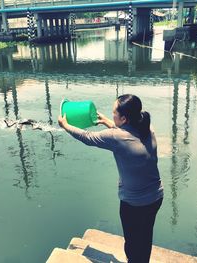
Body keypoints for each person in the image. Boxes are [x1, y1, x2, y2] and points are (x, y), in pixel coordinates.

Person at [58, 94, 163, 263]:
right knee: (145, 237)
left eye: (114, 112)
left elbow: (87, 137)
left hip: (134, 203)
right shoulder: (147, 129)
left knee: (132, 242)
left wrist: (66, 125)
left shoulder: (116, 137)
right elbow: (126, 134)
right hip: (156, 197)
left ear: (124, 118)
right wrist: (107, 121)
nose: (112, 114)